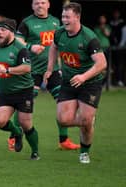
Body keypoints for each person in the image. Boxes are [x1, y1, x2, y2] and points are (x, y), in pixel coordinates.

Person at [44, 2, 107, 164]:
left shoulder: (89, 37)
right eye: (63, 16)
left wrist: (84, 77)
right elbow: (53, 47)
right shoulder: (59, 33)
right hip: (68, 81)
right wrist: (50, 69)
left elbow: (101, 64)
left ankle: (84, 153)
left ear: (77, 17)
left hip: (90, 83)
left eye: (67, 17)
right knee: (63, 120)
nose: (64, 20)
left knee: (85, 121)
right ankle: (88, 121)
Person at [13, 0, 80, 151]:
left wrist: (63, 65)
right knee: (24, 105)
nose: (40, 5)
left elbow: (62, 43)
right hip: (32, 71)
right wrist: (31, 46)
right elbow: (17, 41)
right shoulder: (27, 23)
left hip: (53, 70)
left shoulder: (57, 22)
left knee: (63, 103)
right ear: (32, 6)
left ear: (49, 4)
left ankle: (63, 140)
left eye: (43, 2)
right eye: (36, 3)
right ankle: (14, 136)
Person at [0, 18, 40, 160]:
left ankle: (35, 151)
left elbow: (27, 68)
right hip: (4, 93)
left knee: (26, 123)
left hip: (23, 91)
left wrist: (8, 70)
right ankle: (16, 133)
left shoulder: (20, 48)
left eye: (3, 30)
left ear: (12, 32)